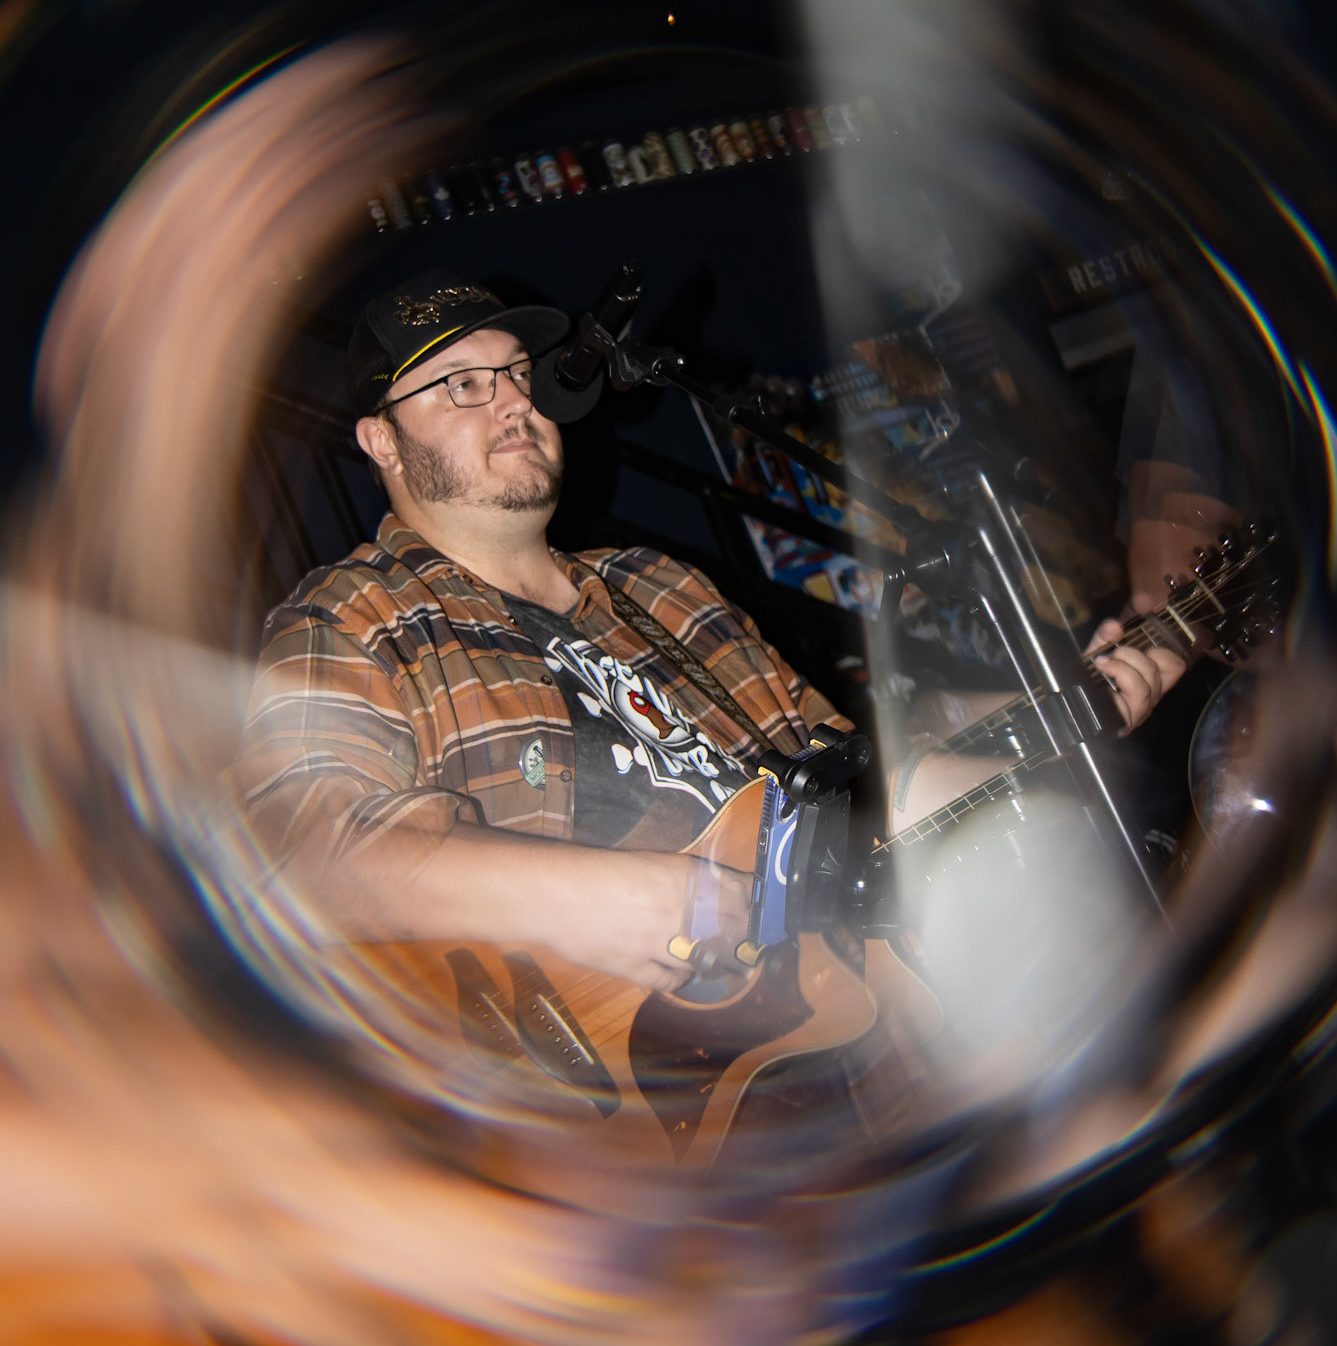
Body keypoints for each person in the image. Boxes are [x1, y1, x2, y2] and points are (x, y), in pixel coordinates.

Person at [231, 270, 1184, 992]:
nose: (516, 400)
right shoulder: (350, 618)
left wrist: (1066, 714)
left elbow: (851, 785)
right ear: (381, 441)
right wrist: (587, 897)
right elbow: (306, 856)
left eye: (516, 375)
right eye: (462, 385)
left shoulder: (658, 585)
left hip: (841, 1002)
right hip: (617, 1092)